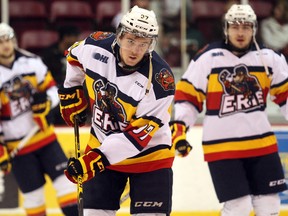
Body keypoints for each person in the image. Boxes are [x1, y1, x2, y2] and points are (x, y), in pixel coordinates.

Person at [170, 4, 288, 216]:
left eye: (246, 26)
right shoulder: (208, 58)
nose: (240, 32)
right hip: (222, 147)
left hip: (262, 144)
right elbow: (187, 97)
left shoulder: (269, 59)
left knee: (270, 204)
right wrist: (179, 131)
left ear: (254, 29)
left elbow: (286, 96)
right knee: (238, 206)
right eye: (235, 27)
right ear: (226, 29)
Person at [58, 5, 176, 216]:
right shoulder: (95, 46)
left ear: (151, 44)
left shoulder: (160, 82)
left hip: (149, 159)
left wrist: (95, 159)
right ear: (120, 35)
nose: (135, 50)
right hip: (102, 147)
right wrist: (71, 89)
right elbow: (72, 56)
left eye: (143, 43)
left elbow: (136, 137)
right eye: (130, 40)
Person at [0, 23, 78, 215]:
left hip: (45, 139)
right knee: (34, 199)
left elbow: (53, 90)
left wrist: (45, 102)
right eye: (1, 42)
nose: (6, 45)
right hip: (18, 147)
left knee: (67, 187)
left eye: (8, 40)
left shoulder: (32, 61)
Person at [41, 25, 80, 125]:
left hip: (73, 88)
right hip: (54, 89)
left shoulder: (78, 52)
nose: (77, 39)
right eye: (74, 36)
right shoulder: (49, 54)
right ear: (65, 37)